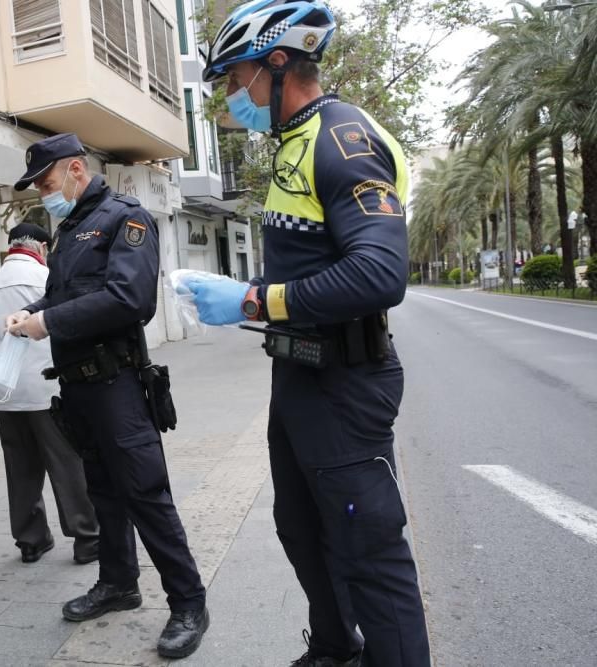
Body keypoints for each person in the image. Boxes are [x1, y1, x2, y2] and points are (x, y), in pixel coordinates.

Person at [193, 2, 431, 666]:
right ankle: (334, 647)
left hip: (346, 382)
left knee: (371, 553)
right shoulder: (292, 140)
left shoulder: (341, 138)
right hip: (298, 377)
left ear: (276, 65)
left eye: (234, 80)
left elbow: (380, 272)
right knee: (299, 526)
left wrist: (251, 297)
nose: (229, 97)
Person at [6, 133, 209, 659]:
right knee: (103, 494)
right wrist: (31, 312)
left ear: (75, 169)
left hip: (117, 384)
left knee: (145, 495)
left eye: (48, 183)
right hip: (77, 388)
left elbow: (130, 299)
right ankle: (118, 584)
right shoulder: (69, 228)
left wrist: (47, 321)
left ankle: (188, 602)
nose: (44, 194)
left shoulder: (126, 217)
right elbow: (62, 295)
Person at [0, 222, 100, 565]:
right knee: (67, 465)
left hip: (6, 393)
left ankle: (31, 540)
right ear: (43, 247)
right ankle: (87, 537)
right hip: (48, 390)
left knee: (21, 470)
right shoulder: (44, 278)